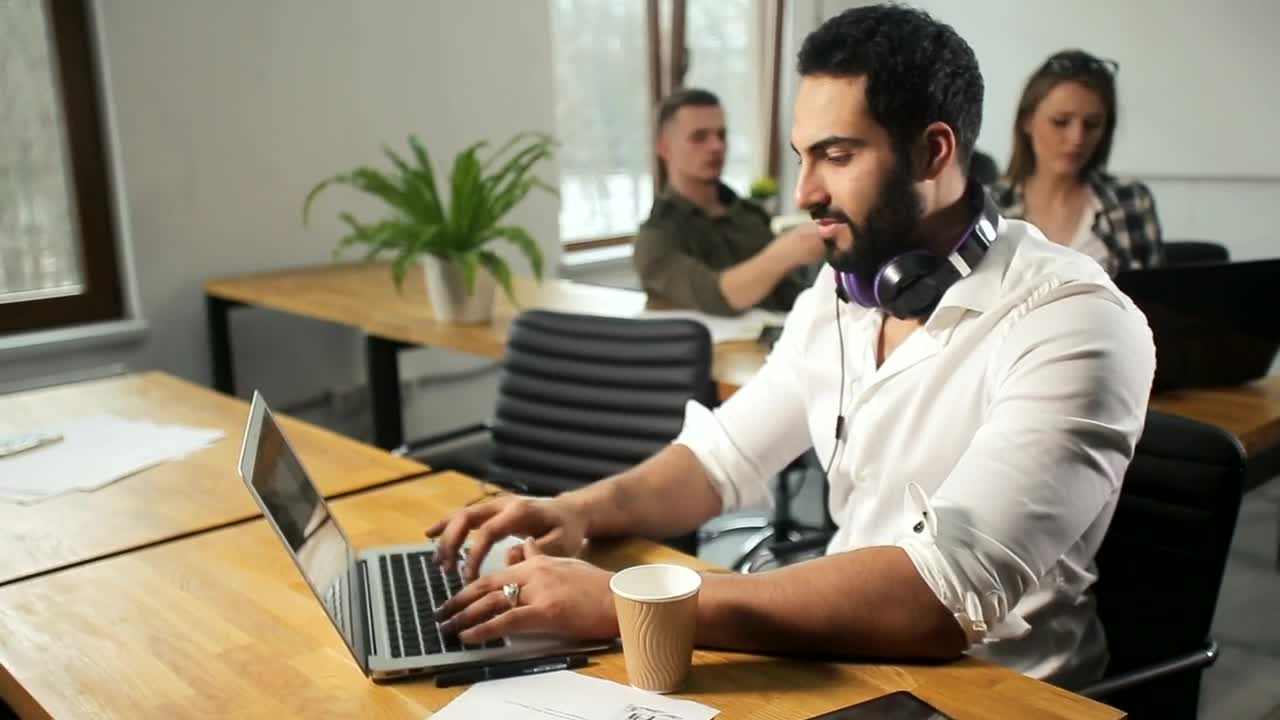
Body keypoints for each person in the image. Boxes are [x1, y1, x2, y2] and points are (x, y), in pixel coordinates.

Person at [427, 4, 1155, 689]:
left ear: (933, 152)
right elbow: (720, 460)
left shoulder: (1074, 320)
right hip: (847, 665)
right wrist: (580, 509)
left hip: (996, 694)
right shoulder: (843, 292)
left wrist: (631, 599)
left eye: (836, 155)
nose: (804, 191)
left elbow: (940, 599)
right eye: (802, 156)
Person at [632, 88, 825, 315]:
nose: (716, 146)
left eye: (721, 135)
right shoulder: (655, 238)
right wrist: (787, 252)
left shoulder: (751, 216)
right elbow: (717, 296)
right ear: (664, 147)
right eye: (699, 137)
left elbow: (792, 296)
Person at [991, 50, 1165, 276]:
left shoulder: (1131, 201)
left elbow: (1156, 295)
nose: (1077, 139)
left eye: (1092, 125)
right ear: (1027, 122)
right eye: (1060, 122)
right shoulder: (987, 208)